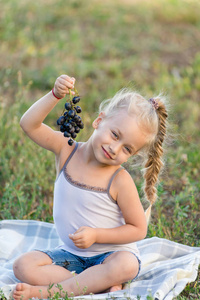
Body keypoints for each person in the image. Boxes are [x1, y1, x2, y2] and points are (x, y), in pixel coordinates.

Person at [12, 74, 168, 300]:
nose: (115, 148)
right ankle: (98, 283)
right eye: (115, 134)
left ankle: (48, 292)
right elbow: (29, 125)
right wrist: (55, 95)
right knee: (22, 266)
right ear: (98, 121)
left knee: (126, 265)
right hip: (70, 257)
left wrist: (97, 234)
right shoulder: (66, 150)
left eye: (127, 149)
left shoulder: (119, 179)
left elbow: (138, 228)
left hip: (109, 256)